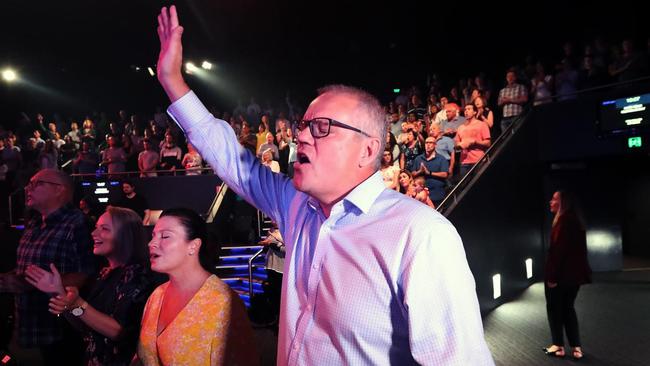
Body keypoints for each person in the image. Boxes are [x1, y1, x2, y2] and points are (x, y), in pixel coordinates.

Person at [155, 6, 493, 365]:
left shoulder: (420, 236)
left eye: (321, 127)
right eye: (304, 125)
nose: (301, 135)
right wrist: (172, 80)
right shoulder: (296, 205)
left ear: (367, 149)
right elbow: (231, 160)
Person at [25, 206, 154, 366]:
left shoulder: (136, 274)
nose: (94, 234)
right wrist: (60, 294)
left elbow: (118, 332)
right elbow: (85, 325)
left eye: (104, 229)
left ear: (126, 236)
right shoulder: (104, 273)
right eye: (96, 228)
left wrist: (78, 303)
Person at [137, 208, 258, 365]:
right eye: (153, 236)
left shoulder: (223, 303)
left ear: (193, 246)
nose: (152, 243)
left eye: (165, 236)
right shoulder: (156, 296)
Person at [0, 169, 96, 365]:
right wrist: (9, 279)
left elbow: (85, 274)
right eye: (29, 183)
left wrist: (28, 284)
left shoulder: (77, 223)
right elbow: (25, 271)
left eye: (36, 183)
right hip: (24, 329)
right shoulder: (34, 223)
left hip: (56, 334)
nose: (28, 188)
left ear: (59, 189)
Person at [543, 191, 591, 360]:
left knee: (555, 310)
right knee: (568, 309)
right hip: (573, 278)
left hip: (560, 277)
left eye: (554, 199)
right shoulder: (576, 221)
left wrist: (552, 277)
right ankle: (576, 347)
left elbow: (558, 253)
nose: (550, 201)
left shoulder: (563, 222)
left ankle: (558, 346)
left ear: (562, 202)